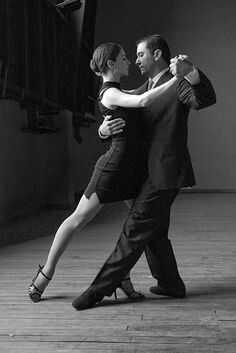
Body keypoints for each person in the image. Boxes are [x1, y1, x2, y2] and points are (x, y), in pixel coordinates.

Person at [28, 42, 181, 303]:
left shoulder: (119, 91)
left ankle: (123, 277)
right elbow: (143, 100)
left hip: (130, 171)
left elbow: (144, 92)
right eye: (123, 58)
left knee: (138, 226)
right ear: (110, 64)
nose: (129, 62)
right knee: (77, 219)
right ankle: (46, 272)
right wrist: (178, 78)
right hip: (112, 169)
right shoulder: (109, 93)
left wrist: (102, 128)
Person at [72, 34, 216, 310]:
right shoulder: (143, 89)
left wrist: (192, 73)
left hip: (165, 173)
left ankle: (97, 291)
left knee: (135, 229)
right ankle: (170, 284)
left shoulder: (178, 85)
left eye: (140, 54)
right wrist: (103, 130)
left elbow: (204, 99)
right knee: (155, 232)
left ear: (157, 55)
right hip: (146, 173)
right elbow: (119, 113)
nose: (136, 60)